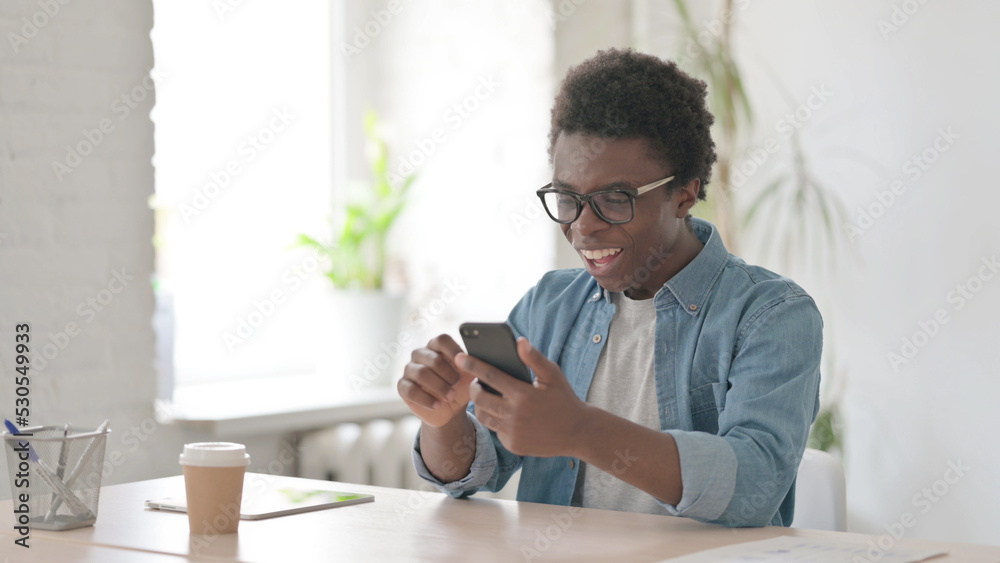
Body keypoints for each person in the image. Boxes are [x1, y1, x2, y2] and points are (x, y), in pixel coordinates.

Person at [397, 48, 822, 527]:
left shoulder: (771, 315)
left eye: (615, 199)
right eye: (567, 198)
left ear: (683, 195)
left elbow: (754, 486)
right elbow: (475, 470)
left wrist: (582, 431)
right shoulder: (550, 305)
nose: (583, 226)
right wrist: (443, 419)